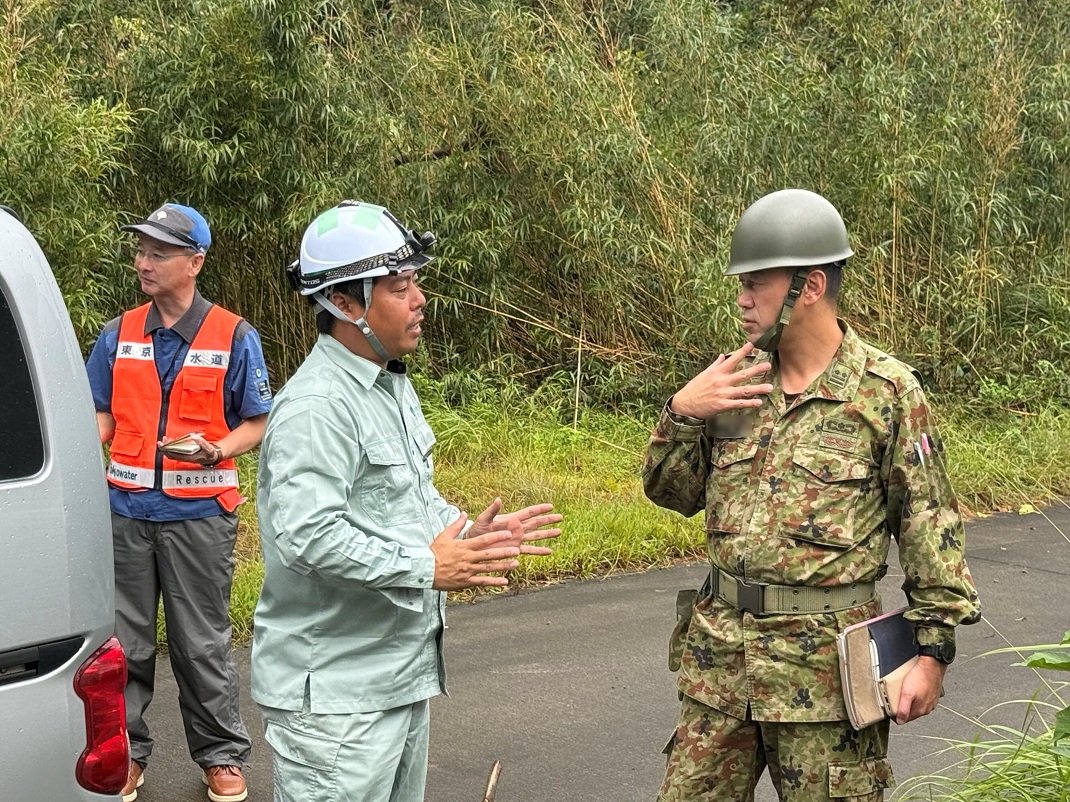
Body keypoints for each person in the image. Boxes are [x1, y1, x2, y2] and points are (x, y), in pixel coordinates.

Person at [642, 189, 981, 802]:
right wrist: (682, 412)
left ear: (812, 286)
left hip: (825, 677)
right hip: (721, 668)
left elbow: (930, 527)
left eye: (758, 284)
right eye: (741, 284)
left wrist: (932, 653)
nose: (743, 300)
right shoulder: (734, 382)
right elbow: (673, 492)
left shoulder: (885, 393)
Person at [251, 201, 562, 802]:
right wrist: (430, 568)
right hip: (337, 703)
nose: (419, 298)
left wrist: (469, 535)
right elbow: (307, 535)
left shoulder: (390, 385)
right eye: (399, 286)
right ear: (344, 304)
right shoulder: (318, 407)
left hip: (396, 679)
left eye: (416, 281)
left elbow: (408, 502)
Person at [86, 202, 272, 802]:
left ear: (195, 262)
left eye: (158, 253)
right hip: (127, 512)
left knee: (202, 643)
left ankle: (220, 756)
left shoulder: (234, 336)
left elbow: (258, 422)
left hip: (199, 519)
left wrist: (216, 451)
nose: (144, 262)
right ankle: (127, 755)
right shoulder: (118, 333)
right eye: (140, 251)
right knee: (126, 643)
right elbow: (101, 419)